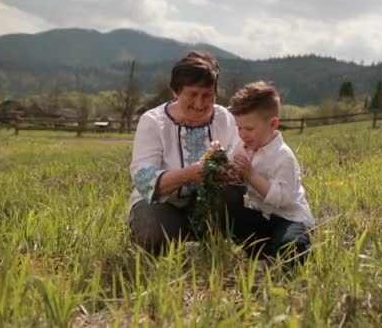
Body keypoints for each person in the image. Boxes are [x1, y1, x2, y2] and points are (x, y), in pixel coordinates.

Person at [127, 51, 238, 254]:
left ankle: (212, 238)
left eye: (207, 95)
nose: (200, 103)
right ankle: (168, 234)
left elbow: (238, 160)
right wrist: (188, 174)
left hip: (208, 202)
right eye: (192, 94)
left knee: (234, 199)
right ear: (175, 92)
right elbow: (143, 179)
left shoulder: (224, 118)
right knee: (153, 233)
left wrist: (228, 170)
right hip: (162, 204)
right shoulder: (153, 122)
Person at [225, 81, 314, 263]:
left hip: (289, 217)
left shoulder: (283, 157)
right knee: (227, 209)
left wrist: (250, 175)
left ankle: (285, 248)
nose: (242, 134)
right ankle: (261, 254)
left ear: (273, 124)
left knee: (291, 246)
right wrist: (231, 172)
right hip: (260, 215)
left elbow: (282, 199)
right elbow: (237, 181)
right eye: (239, 127)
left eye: (249, 129)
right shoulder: (241, 147)